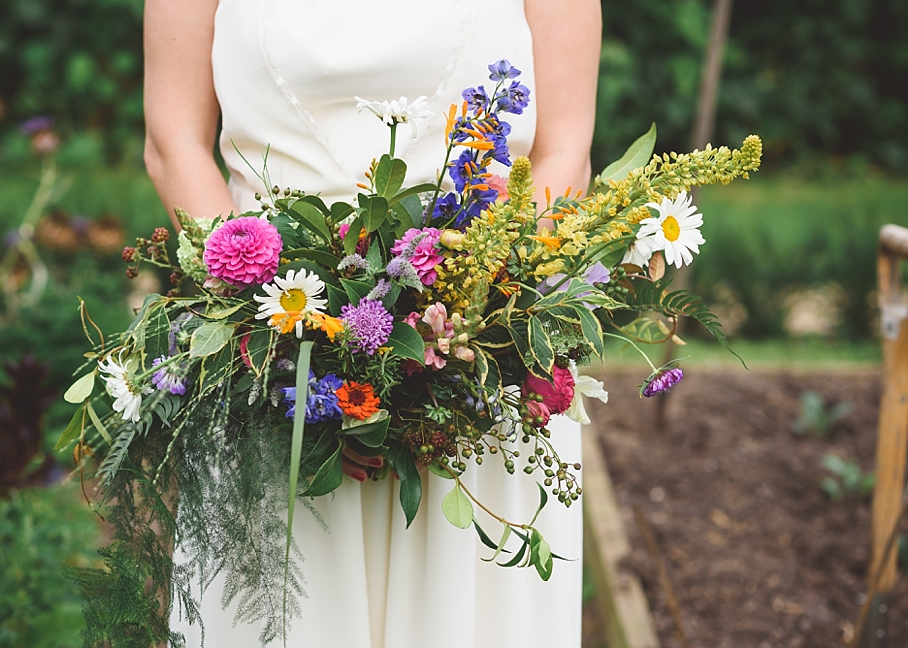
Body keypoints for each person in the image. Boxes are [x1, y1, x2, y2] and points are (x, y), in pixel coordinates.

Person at [143, 1, 601, 646]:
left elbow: (564, 153)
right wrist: (272, 331)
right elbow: (174, 144)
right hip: (274, 365)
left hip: (472, 368)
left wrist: (454, 330)